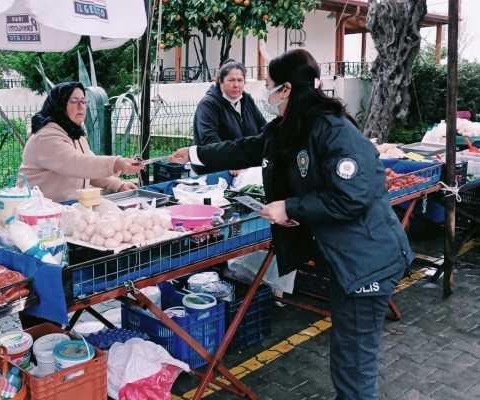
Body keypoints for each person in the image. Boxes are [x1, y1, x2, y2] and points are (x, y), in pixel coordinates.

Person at [169, 49, 413, 400]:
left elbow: (354, 195)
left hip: (367, 260)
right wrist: (195, 155)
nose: (263, 91)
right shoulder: (294, 126)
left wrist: (291, 207)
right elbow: (250, 147)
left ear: (285, 89)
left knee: (353, 359)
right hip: (349, 256)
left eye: (267, 84)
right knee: (348, 355)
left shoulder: (331, 129)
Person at [19, 82, 143, 202]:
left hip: (66, 206)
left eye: (83, 101)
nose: (81, 106)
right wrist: (116, 163)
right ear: (59, 105)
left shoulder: (74, 134)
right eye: (74, 101)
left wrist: (118, 185)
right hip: (37, 211)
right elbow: (78, 164)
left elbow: (90, 170)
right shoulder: (46, 136)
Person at [193, 60, 266, 176]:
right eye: (231, 80)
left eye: (240, 80)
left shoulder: (246, 100)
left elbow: (263, 127)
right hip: (216, 171)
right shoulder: (208, 104)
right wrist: (230, 162)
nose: (236, 85)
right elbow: (209, 139)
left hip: (246, 167)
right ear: (221, 82)